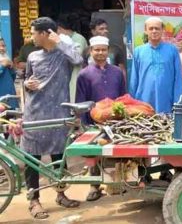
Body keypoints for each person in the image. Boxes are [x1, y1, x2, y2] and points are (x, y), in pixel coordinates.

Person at [22, 17, 83, 219]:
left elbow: (78, 60)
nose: (31, 37)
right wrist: (26, 84)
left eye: (33, 33)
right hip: (35, 113)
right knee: (32, 158)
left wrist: (61, 41)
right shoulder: (32, 56)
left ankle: (60, 194)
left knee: (59, 156)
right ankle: (34, 200)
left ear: (45, 34)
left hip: (58, 112)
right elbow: (26, 80)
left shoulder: (63, 54)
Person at [76, 36, 126, 201]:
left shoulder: (117, 72)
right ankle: (94, 187)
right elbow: (81, 101)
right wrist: (85, 123)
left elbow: (123, 97)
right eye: (96, 50)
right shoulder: (84, 74)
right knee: (94, 154)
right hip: (93, 121)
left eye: (103, 50)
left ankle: (116, 184)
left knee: (116, 151)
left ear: (108, 51)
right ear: (91, 51)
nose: (100, 53)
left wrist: (121, 117)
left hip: (115, 120)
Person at [129, 17, 182, 113]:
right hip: (143, 101)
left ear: (162, 30)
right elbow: (134, 78)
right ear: (145, 31)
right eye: (151, 28)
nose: (154, 31)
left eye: (157, 28)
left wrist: (177, 102)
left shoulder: (172, 50)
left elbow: (178, 78)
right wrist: (133, 103)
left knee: (166, 127)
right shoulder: (139, 51)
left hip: (166, 100)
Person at [57, 14, 89, 102]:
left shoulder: (78, 38)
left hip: (76, 76)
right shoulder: (62, 39)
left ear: (59, 28)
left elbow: (76, 58)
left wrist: (60, 43)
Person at [0, 38, 18, 109]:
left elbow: (12, 78)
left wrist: (12, 68)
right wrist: (2, 66)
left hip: (10, 100)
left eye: (3, 46)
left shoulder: (6, 60)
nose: (2, 48)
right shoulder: (4, 63)